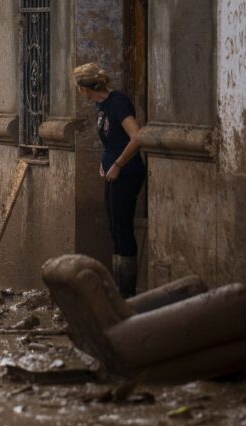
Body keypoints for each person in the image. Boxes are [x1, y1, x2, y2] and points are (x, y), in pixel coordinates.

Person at [73, 63, 145, 297]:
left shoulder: (118, 103)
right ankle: (118, 290)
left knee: (123, 229)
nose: (78, 92)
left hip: (126, 172)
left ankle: (127, 294)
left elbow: (137, 137)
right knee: (114, 228)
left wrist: (117, 164)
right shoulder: (102, 105)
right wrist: (105, 163)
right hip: (113, 172)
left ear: (86, 88)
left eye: (78, 87)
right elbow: (112, 140)